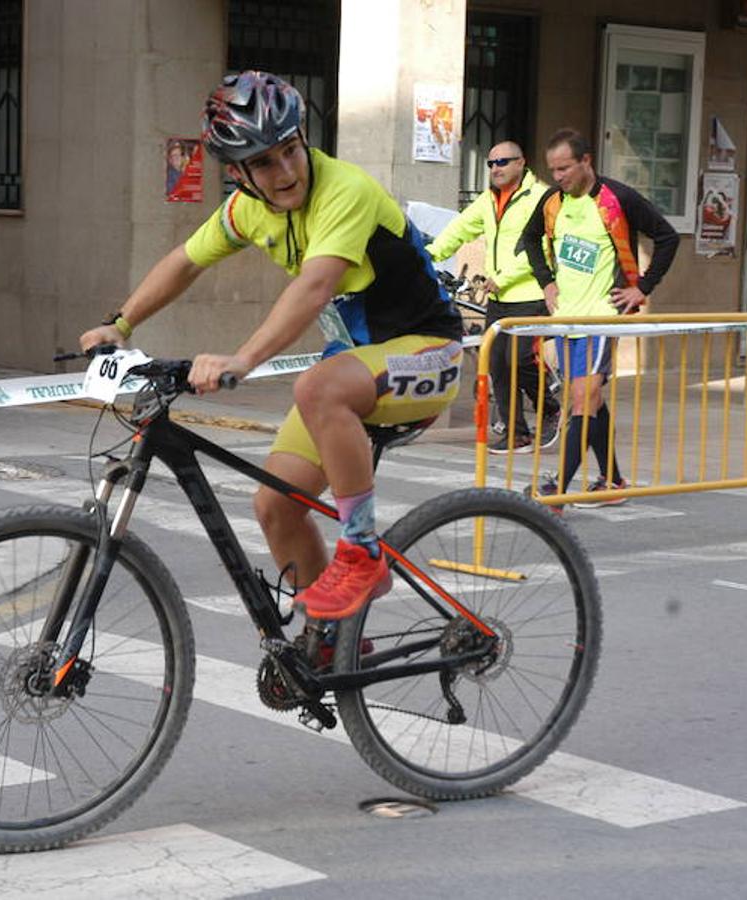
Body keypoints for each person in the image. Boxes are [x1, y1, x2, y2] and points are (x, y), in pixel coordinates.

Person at [79, 71, 464, 620]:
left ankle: (361, 552)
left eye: (290, 150)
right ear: (238, 173)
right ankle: (329, 645)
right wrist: (121, 323)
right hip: (354, 363)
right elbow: (186, 260)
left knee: (318, 386)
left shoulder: (344, 191)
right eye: (264, 162)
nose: (285, 172)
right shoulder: (246, 209)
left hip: (430, 351)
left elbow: (314, 287)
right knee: (276, 505)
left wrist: (243, 359)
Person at [518, 128, 678, 507]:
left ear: (586, 161)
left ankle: (556, 491)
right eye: (553, 169)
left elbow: (668, 237)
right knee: (588, 401)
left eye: (565, 168)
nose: (558, 177)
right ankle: (613, 480)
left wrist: (643, 287)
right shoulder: (552, 201)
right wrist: (547, 283)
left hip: (602, 316)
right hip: (566, 318)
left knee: (581, 399)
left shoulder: (617, 198)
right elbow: (529, 240)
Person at [426, 141, 560, 453]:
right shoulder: (487, 200)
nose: (496, 168)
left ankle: (550, 407)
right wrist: (428, 256)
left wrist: (503, 277)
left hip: (531, 294)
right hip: (499, 299)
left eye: (503, 162)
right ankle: (517, 434)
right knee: (497, 363)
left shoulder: (542, 197)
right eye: (491, 163)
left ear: (521, 163)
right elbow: (457, 229)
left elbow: (542, 251)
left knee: (519, 357)